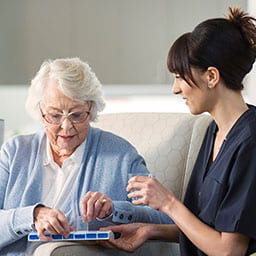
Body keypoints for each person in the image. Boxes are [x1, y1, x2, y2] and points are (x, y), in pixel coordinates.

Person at [100, 7, 256, 255]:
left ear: (211, 76)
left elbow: (229, 250)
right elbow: (205, 229)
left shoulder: (250, 141)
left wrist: (168, 203)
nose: (175, 89)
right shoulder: (213, 132)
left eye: (180, 77)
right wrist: (149, 230)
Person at [0, 57, 172, 255]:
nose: (66, 127)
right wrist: (32, 215)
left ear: (91, 109)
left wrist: (115, 210)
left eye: (76, 115)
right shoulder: (14, 152)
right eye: (55, 115)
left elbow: (166, 219)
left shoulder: (120, 155)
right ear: (40, 112)